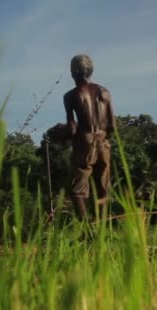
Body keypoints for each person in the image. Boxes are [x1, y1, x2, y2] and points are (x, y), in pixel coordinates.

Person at [63, 54, 116, 221]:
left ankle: (87, 230)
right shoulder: (104, 92)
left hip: (84, 143)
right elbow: (113, 126)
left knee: (77, 189)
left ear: (73, 72)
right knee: (103, 188)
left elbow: (72, 129)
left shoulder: (71, 96)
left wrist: (58, 133)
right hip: (104, 144)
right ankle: (101, 229)